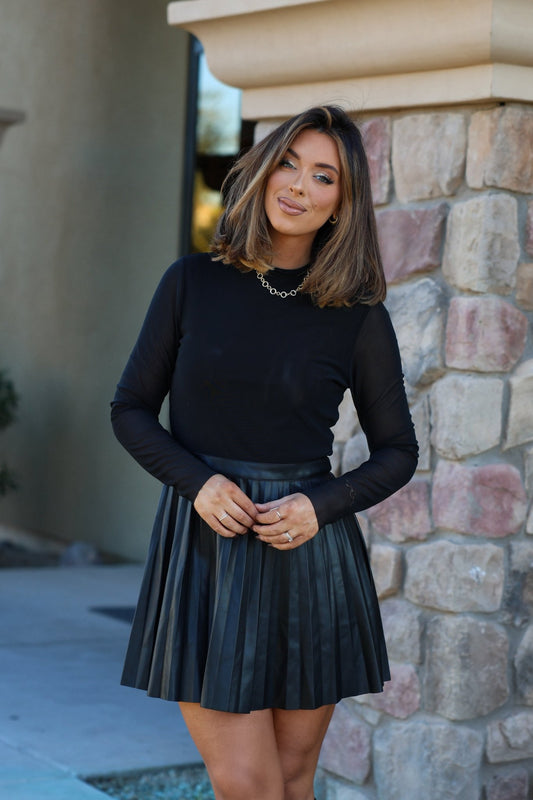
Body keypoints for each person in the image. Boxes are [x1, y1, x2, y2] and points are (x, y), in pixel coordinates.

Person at [111, 105, 418, 800]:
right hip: (206, 550)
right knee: (248, 784)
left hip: (309, 554)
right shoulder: (191, 282)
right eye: (288, 163)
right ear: (262, 170)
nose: (299, 186)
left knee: (292, 781)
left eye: (324, 176)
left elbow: (398, 450)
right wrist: (198, 484)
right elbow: (129, 408)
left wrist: (321, 506)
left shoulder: (356, 314)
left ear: (343, 203)